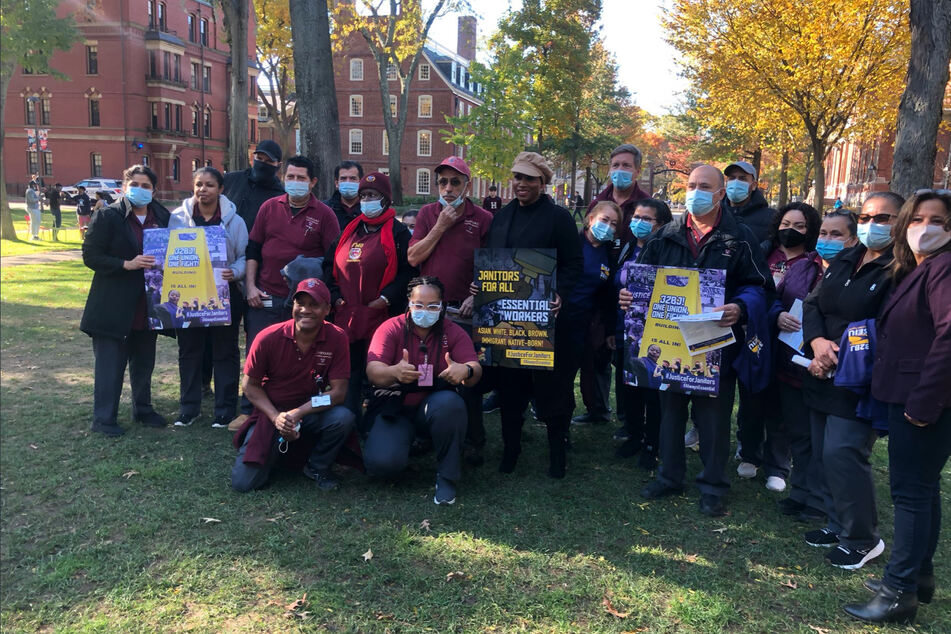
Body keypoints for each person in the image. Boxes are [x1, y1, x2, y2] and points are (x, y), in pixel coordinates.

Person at [635, 164, 772, 517]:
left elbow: (759, 287)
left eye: (705, 186)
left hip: (716, 344)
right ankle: (669, 476)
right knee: (671, 412)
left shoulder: (739, 238)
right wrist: (628, 294)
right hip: (669, 342)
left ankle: (712, 485)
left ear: (721, 193)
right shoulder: (665, 234)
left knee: (713, 418)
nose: (696, 192)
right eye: (691, 185)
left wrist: (740, 308)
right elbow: (639, 277)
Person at [843, 190, 951, 624]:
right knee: (923, 491)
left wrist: (924, 401)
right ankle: (918, 575)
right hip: (910, 393)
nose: (926, 227)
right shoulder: (919, 270)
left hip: (922, 399)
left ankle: (898, 590)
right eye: (917, 218)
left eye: (939, 220)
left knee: (910, 495)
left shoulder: (943, 269)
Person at [801, 191, 905, 570]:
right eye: (865, 217)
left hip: (859, 379)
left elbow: (891, 327)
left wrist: (837, 351)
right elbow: (813, 303)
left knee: (843, 453)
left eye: (884, 219)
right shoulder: (846, 258)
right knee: (823, 451)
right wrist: (816, 343)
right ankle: (837, 522)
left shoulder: (901, 269)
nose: (871, 225)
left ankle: (862, 539)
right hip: (819, 369)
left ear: (902, 222)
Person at [483, 152, 584, 478]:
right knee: (510, 388)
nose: (521, 184)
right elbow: (493, 263)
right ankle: (511, 450)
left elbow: (574, 264)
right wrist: (480, 286)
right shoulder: (501, 216)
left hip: (545, 321)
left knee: (552, 391)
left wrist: (560, 292)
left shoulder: (559, 217)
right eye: (517, 177)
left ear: (542, 182)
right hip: (507, 320)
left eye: (528, 178)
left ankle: (557, 454)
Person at [364, 276, 483, 504]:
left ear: (442, 306)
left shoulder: (453, 331)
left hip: (434, 407)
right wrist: (394, 372)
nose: (424, 311)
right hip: (396, 408)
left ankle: (447, 477)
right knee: (383, 464)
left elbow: (475, 368)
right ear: (408, 302)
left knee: (450, 403)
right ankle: (404, 446)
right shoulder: (390, 328)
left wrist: (465, 371)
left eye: (432, 306)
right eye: (418, 305)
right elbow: (373, 371)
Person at [231, 278, 356, 492]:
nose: (306, 310)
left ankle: (316, 466)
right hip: (271, 412)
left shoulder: (337, 338)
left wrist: (298, 413)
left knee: (343, 418)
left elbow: (338, 393)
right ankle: (276, 455)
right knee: (244, 484)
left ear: (327, 309)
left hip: (311, 410)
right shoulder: (267, 337)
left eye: (314, 305)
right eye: (301, 304)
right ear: (293, 306)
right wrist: (275, 417)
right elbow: (250, 386)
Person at [240, 155, 339, 424]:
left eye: (301, 178)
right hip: (266, 295)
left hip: (304, 303)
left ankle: (295, 408)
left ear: (313, 182)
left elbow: (333, 261)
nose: (294, 182)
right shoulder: (269, 208)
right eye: (290, 177)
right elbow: (253, 249)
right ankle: (249, 411)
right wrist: (250, 286)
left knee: (297, 356)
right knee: (257, 351)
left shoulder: (325, 215)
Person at [406, 156, 493, 464]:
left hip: (465, 311)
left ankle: (473, 440)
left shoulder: (481, 218)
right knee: (426, 371)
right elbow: (414, 257)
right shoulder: (429, 214)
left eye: (455, 182)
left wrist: (478, 293)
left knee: (467, 377)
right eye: (442, 181)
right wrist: (441, 225)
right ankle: (427, 432)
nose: (448, 187)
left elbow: (492, 263)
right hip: (430, 311)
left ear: (467, 185)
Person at [736, 202, 822, 491]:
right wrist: (774, 315)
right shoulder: (761, 252)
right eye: (786, 224)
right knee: (751, 400)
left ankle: (777, 465)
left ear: (810, 230)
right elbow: (750, 290)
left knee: (781, 408)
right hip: (758, 338)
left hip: (792, 345)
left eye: (799, 226)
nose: (791, 230)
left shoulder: (814, 262)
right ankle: (749, 453)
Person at [80, 165, 171, 436]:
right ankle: (104, 419)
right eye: (135, 184)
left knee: (144, 361)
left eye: (146, 186)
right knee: (110, 364)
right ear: (124, 185)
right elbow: (91, 255)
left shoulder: (163, 216)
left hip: (148, 304)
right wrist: (125, 264)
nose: (140, 190)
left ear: (154, 190)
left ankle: (143, 409)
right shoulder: (108, 215)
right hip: (113, 304)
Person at [324, 171, 416, 432]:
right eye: (363, 195)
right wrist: (335, 296)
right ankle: (348, 422)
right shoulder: (349, 229)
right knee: (349, 372)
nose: (366, 200)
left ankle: (376, 425)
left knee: (378, 371)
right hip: (347, 315)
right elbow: (329, 265)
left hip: (381, 315)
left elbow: (409, 272)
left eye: (373, 195)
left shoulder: (398, 233)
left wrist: (386, 297)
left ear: (385, 200)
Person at [168, 166, 249, 429]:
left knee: (224, 352)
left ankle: (225, 410)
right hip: (189, 298)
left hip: (223, 297)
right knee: (189, 352)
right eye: (199, 184)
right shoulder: (178, 218)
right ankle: (188, 408)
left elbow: (243, 257)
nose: (203, 190)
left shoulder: (234, 221)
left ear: (221, 189)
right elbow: (167, 253)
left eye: (210, 185)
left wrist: (234, 272)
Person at [771, 205, 835, 521]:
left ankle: (819, 501)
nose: (828, 239)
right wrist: (776, 315)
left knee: (824, 438)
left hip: (828, 366)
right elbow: (775, 298)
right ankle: (800, 492)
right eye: (825, 233)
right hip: (791, 361)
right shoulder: (802, 266)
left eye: (837, 235)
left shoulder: (851, 273)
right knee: (799, 432)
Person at [613, 199, 673, 466]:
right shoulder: (627, 248)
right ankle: (634, 435)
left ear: (661, 224)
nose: (638, 222)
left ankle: (653, 443)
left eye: (647, 218)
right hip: (627, 328)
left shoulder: (668, 250)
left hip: (658, 330)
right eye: (636, 216)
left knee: (653, 389)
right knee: (631, 387)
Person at [567, 201, 621, 429]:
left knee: (590, 369)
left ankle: (596, 410)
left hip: (589, 320)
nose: (608, 227)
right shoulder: (571, 244)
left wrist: (608, 328)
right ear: (590, 219)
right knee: (563, 372)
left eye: (614, 224)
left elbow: (608, 294)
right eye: (604, 220)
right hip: (562, 316)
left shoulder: (610, 253)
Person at [587, 144, 649, 256]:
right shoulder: (597, 203)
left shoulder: (648, 205)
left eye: (626, 165)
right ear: (610, 169)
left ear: (637, 171)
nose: (620, 170)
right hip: (597, 268)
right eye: (615, 165)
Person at [222, 140, 285, 232]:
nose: (262, 164)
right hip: (224, 242)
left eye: (268, 161)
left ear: (279, 165)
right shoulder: (230, 180)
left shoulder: (280, 197)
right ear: (253, 158)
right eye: (259, 158)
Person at [721, 161, 774, 243]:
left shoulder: (771, 218)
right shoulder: (715, 213)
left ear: (754, 185)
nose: (736, 182)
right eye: (732, 178)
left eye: (742, 178)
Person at [325, 160, 364, 232]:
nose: (348, 182)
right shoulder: (325, 209)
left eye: (353, 178)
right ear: (337, 183)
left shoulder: (369, 209)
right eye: (343, 178)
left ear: (361, 182)